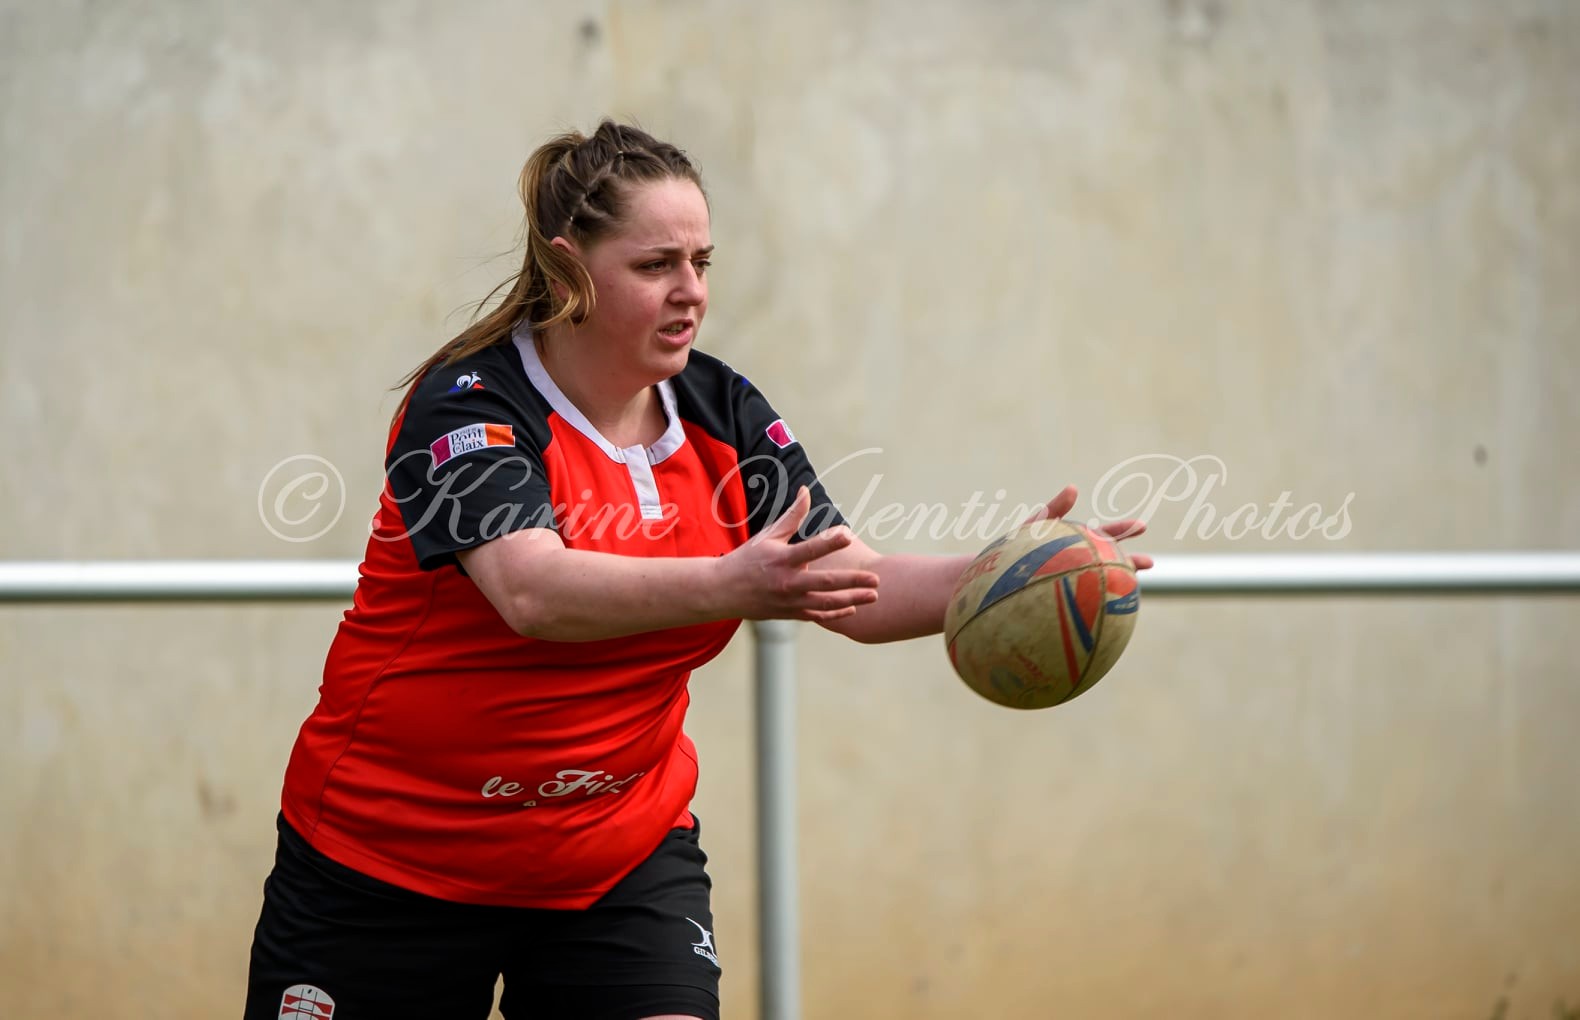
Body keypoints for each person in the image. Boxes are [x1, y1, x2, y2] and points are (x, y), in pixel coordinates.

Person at [243, 119, 1151, 1020]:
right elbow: (531, 590)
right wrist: (731, 584)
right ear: (567, 271)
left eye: (702, 263)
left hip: (614, 858)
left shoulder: (724, 411)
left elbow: (851, 583)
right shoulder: (468, 402)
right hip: (387, 860)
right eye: (655, 266)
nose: (691, 293)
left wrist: (1022, 571)